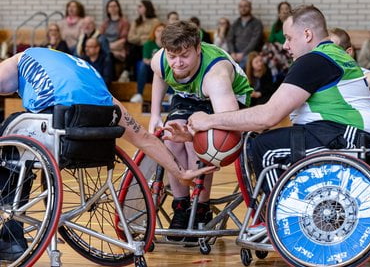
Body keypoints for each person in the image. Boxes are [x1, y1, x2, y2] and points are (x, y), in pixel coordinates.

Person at [0, 47, 214, 260]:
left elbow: (4, 83)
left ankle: (12, 235)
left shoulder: (20, 59)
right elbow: (145, 139)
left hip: (58, 123)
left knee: (10, 133)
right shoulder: (91, 83)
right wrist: (180, 172)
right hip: (97, 133)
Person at [187, 5, 370, 194]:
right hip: (363, 137)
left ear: (307, 34)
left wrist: (210, 120)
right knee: (275, 138)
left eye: (288, 38)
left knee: (264, 147)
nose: (285, 45)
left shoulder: (314, 60)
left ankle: (275, 218)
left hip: (349, 137)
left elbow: (268, 116)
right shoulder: (337, 55)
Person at [148, 21, 252, 239]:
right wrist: (156, 114)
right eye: (172, 56)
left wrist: (193, 134)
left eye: (184, 55)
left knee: (197, 144)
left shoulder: (216, 75)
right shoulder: (160, 59)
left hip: (227, 104)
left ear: (198, 49)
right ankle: (181, 205)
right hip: (189, 96)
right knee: (171, 138)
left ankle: (201, 208)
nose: (177, 63)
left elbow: (229, 120)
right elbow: (159, 76)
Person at [122, 0, 159, 82]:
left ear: (147, 7)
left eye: (140, 6)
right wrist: (141, 37)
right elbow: (130, 38)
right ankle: (127, 72)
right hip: (137, 47)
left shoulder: (155, 21)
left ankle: (127, 71)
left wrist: (138, 37)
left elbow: (153, 36)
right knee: (133, 48)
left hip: (149, 47)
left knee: (135, 49)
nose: (138, 8)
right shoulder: (136, 22)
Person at [130, 23, 166, 103]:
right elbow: (145, 60)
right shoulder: (148, 44)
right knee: (142, 65)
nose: (160, 33)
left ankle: (170, 94)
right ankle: (139, 94)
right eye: (158, 31)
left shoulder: (169, 44)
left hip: (164, 70)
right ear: (154, 32)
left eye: (162, 31)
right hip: (151, 71)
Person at [227, 0, 264, 69]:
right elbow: (229, 39)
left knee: (243, 64)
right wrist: (232, 52)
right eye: (241, 6)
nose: (243, 8)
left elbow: (255, 41)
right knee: (224, 62)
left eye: (245, 6)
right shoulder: (235, 23)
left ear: (250, 8)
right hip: (235, 53)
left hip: (250, 53)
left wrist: (243, 54)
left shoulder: (257, 23)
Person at [100, 0, 130, 66]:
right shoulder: (105, 23)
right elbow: (101, 37)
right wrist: (110, 49)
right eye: (110, 6)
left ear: (118, 8)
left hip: (118, 46)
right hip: (110, 48)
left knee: (106, 55)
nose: (112, 8)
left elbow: (123, 40)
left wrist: (108, 46)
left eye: (115, 6)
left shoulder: (124, 22)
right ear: (107, 9)